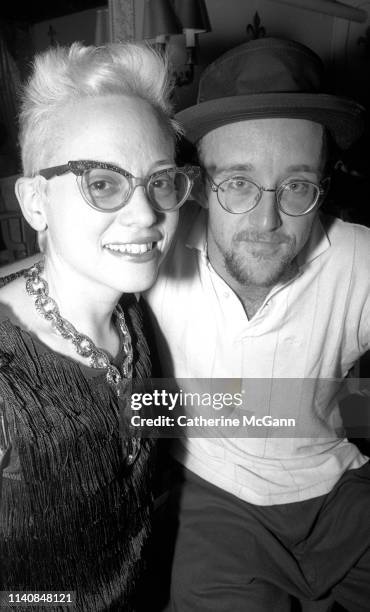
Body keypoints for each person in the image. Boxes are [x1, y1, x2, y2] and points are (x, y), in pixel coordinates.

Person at [143, 38, 370, 611]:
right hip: (213, 499)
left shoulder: (357, 258)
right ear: (197, 185)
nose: (268, 221)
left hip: (341, 491)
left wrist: (352, 403)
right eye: (238, 183)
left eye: (297, 185)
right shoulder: (149, 251)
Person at [0, 41, 197, 611]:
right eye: (103, 183)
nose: (146, 215)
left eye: (160, 181)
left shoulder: (131, 312)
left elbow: (139, 421)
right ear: (36, 202)